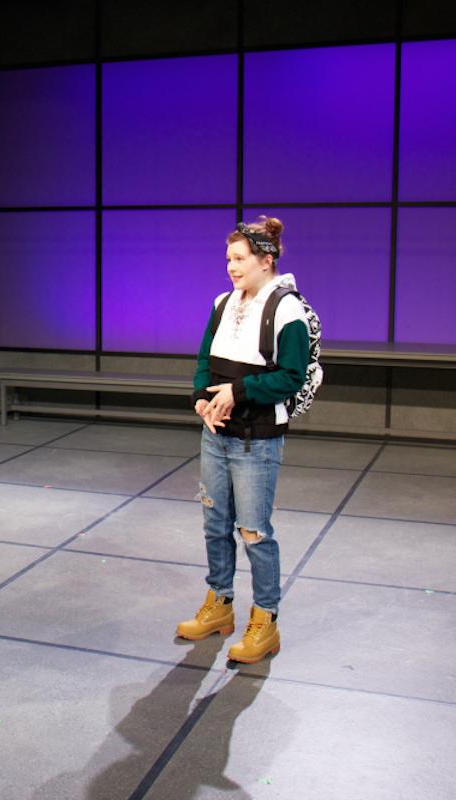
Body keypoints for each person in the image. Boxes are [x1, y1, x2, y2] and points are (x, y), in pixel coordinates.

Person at [175, 216, 309, 665]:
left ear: (265, 261)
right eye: (228, 259)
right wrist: (201, 398)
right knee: (215, 525)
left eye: (239, 259)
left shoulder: (287, 310)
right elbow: (204, 360)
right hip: (215, 435)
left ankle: (265, 620)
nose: (231, 267)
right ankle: (219, 603)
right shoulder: (222, 303)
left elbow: (291, 377)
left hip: (257, 440)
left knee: (254, 532)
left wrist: (238, 392)